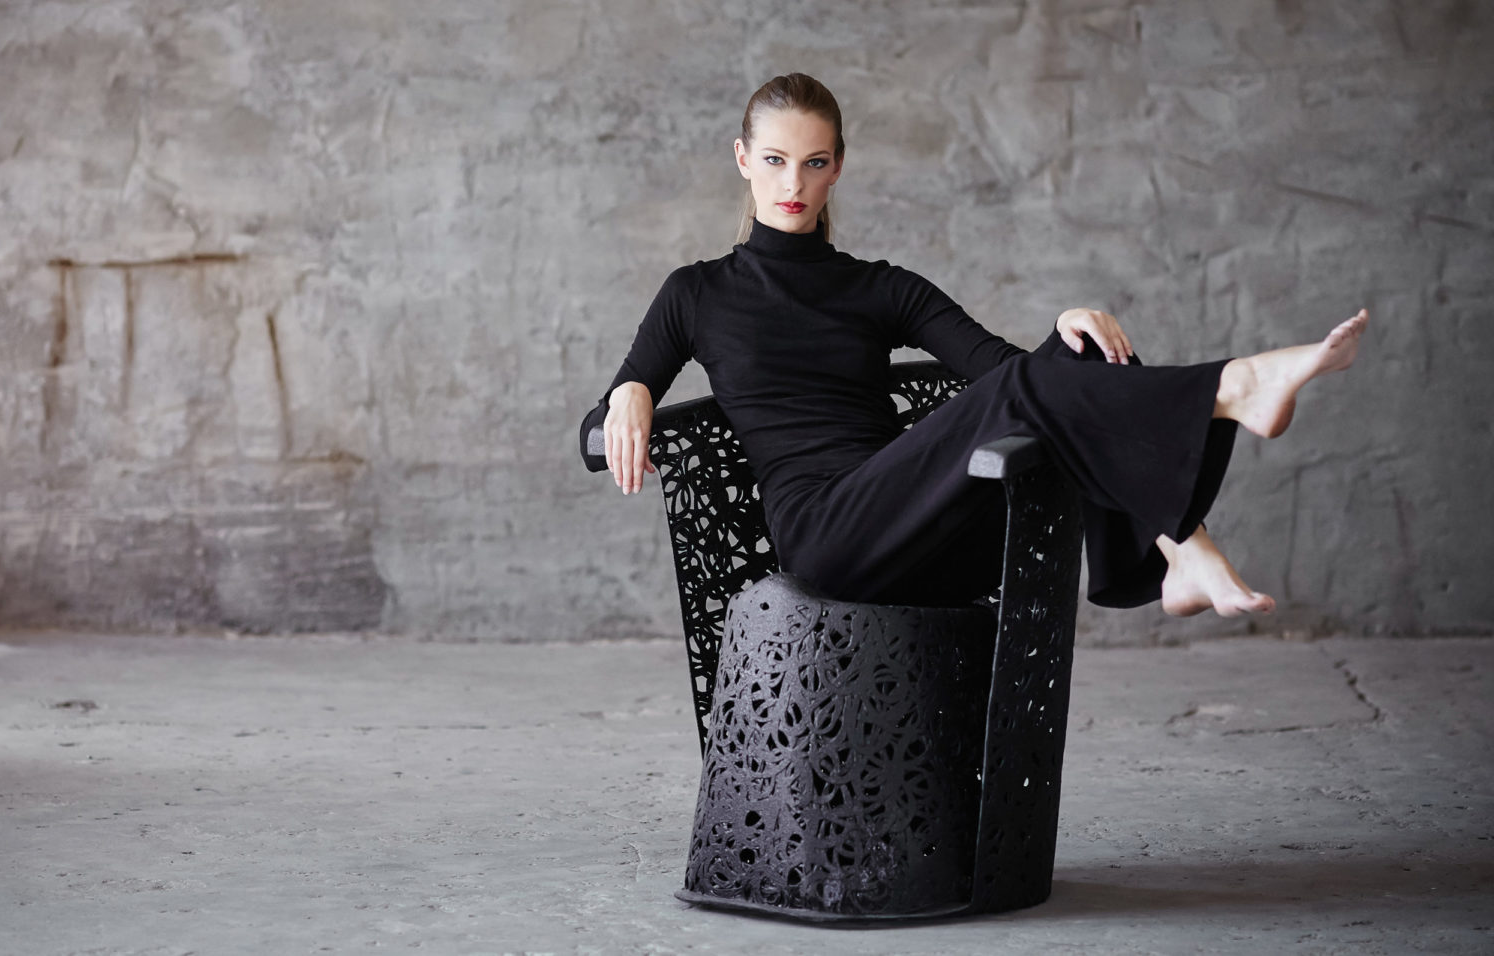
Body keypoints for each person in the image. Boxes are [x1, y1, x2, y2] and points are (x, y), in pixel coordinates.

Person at [578, 73, 1368, 618]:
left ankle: (1177, 544)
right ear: (744, 160)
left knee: (1076, 355)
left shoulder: (880, 287)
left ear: (838, 170)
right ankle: (1219, 427)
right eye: (777, 160)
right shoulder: (698, 292)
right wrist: (630, 390)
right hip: (828, 536)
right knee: (1035, 388)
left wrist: (1065, 327)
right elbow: (604, 418)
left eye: (815, 163)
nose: (794, 183)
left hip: (932, 528)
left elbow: (1007, 375)